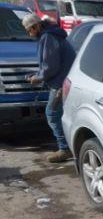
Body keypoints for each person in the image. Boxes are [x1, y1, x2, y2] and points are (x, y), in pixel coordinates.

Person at [22, 13, 76, 163]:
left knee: (52, 113)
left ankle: (64, 149)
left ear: (36, 26)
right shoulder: (51, 34)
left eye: (29, 30)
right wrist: (38, 74)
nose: (29, 33)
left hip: (60, 82)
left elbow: (50, 67)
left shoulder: (47, 37)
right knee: (60, 114)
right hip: (65, 80)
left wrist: (37, 77)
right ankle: (68, 146)